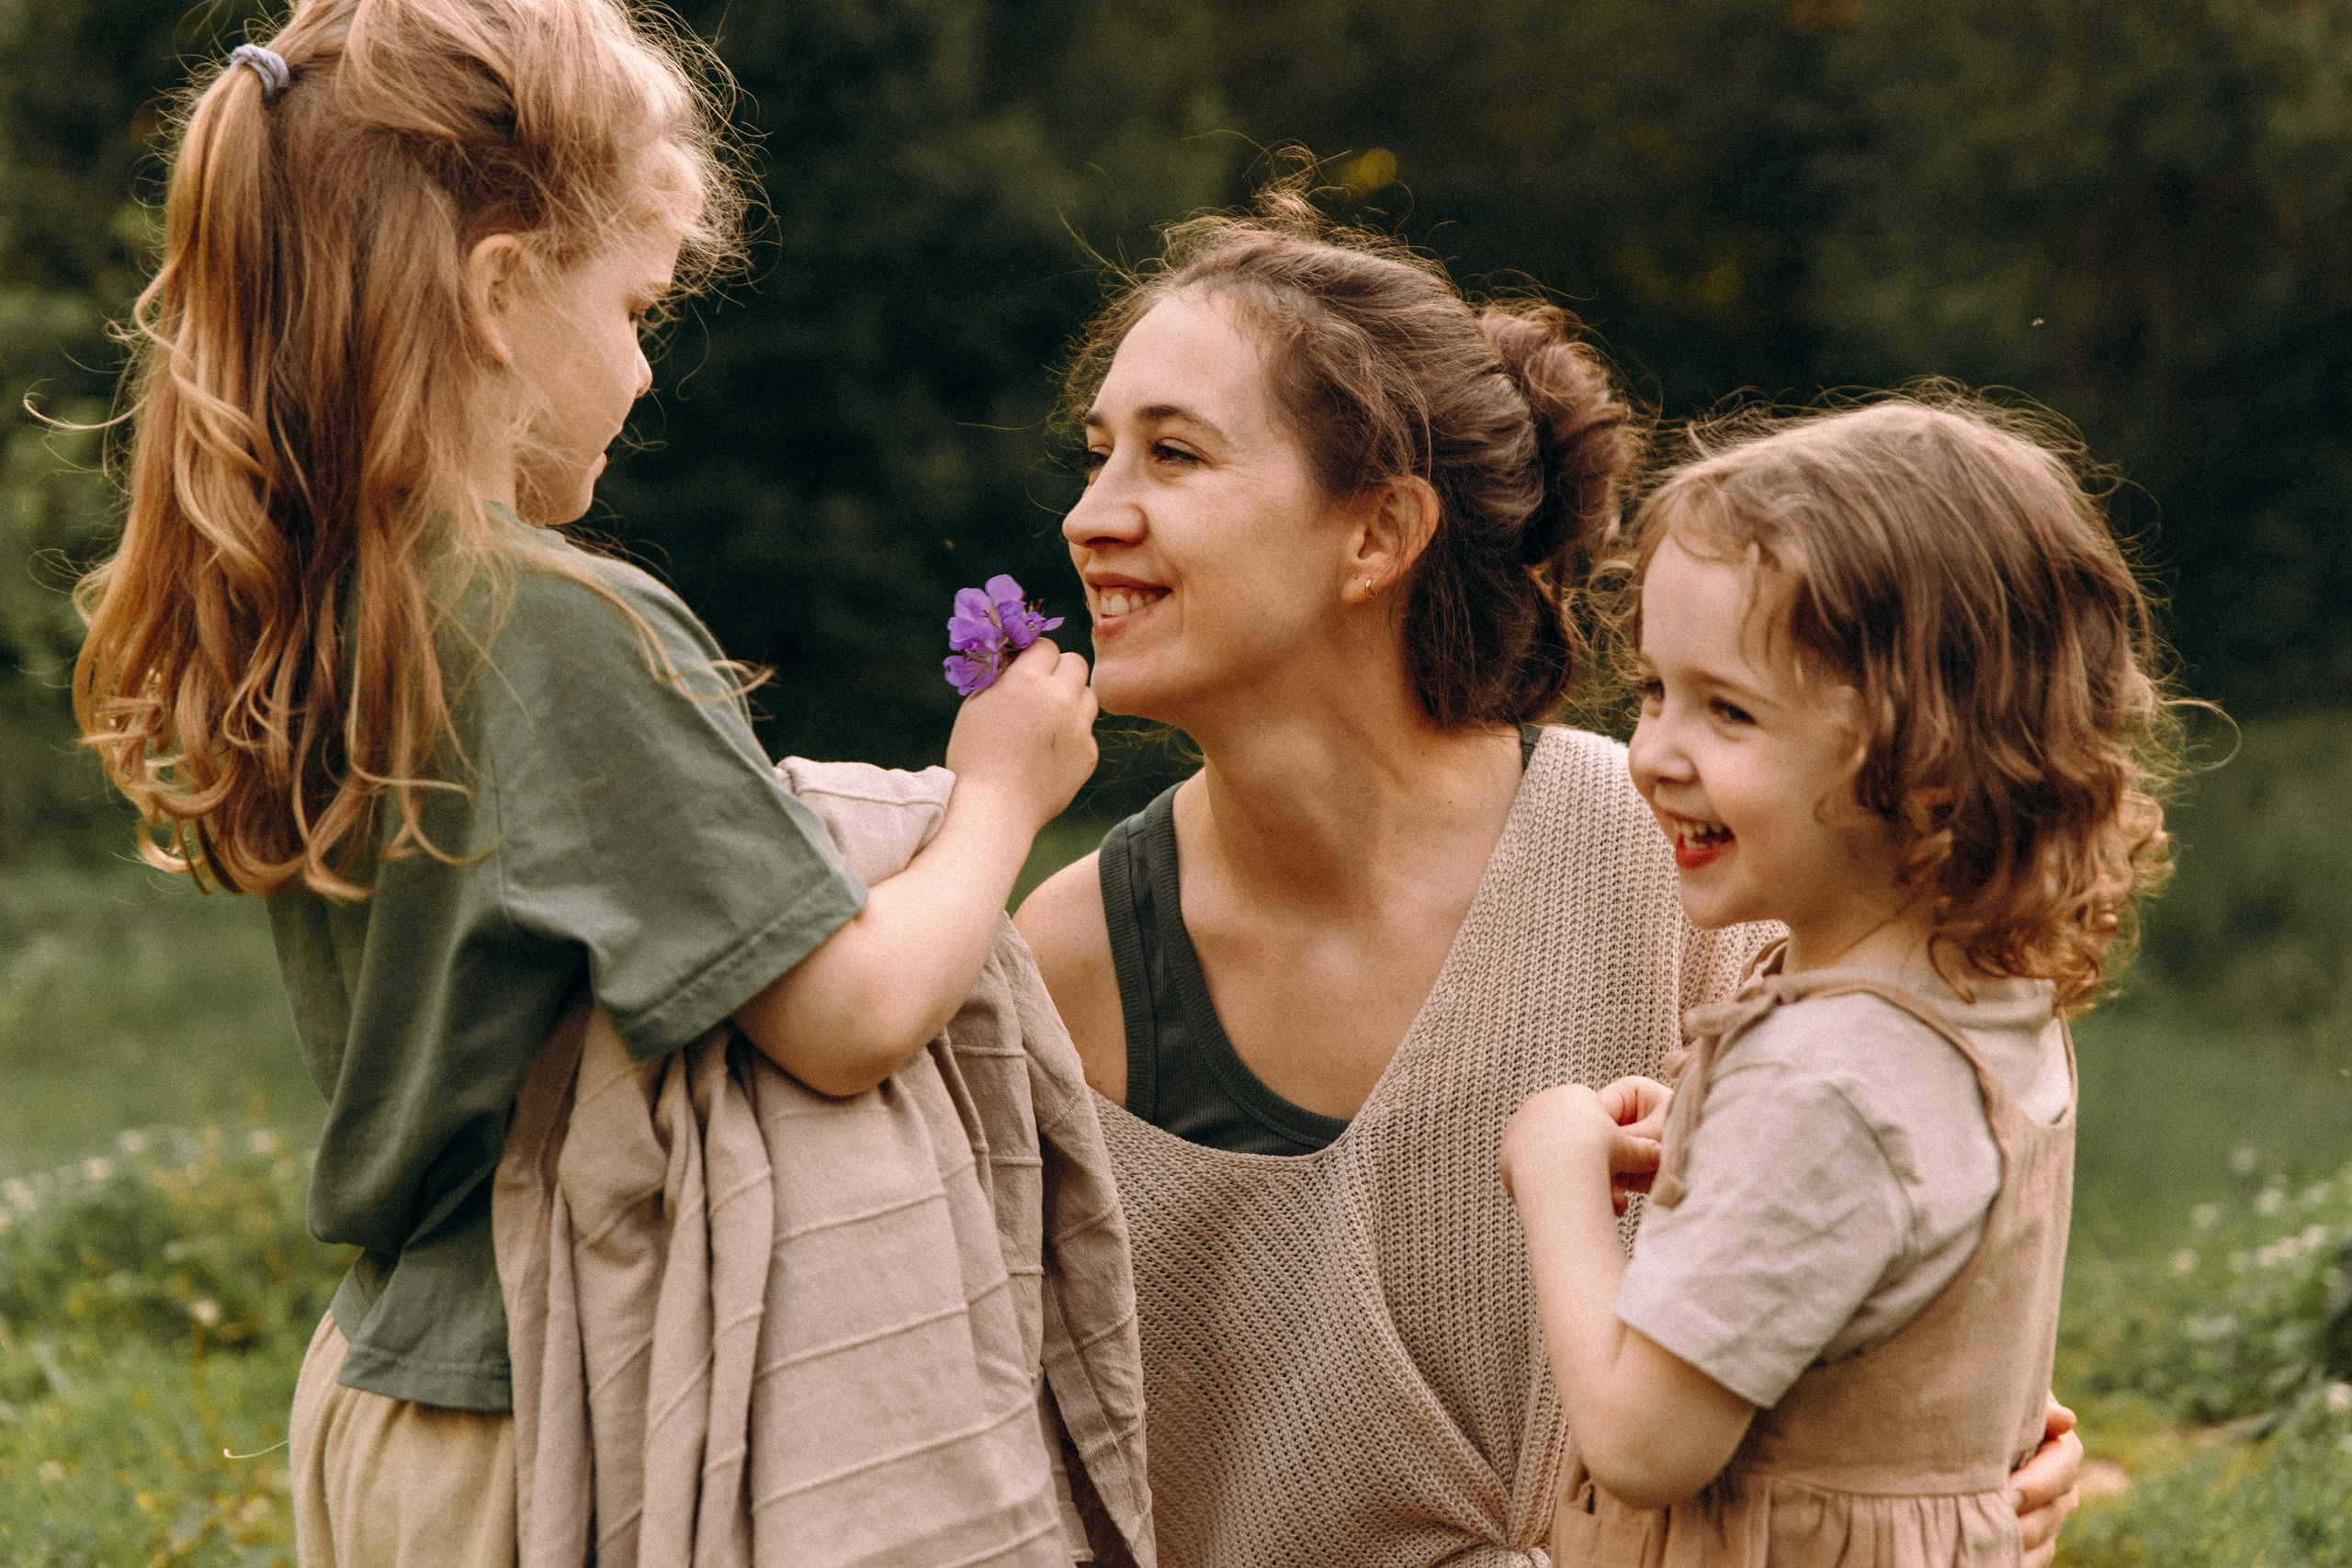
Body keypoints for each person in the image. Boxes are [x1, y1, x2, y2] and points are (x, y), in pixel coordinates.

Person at [69, 4, 1095, 1562]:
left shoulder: (334, 609)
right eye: (636, 309)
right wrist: (1000, 797)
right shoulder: (549, 623)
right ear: (497, 292)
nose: (642, 367)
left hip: (380, 1399)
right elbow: (850, 1016)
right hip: (547, 1410)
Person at [1013, 186, 2085, 1567]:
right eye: (1097, 456)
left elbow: (1890, 1208)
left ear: (1378, 534)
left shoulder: (1684, 864)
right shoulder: (1068, 958)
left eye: (1173, 456)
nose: (1091, 517)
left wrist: (1943, 1443)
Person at [1501, 396, 2174, 1566]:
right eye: (1656, 689)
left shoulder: (1822, 1081)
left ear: (1926, 766)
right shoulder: (1978, 1002)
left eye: (1727, 710)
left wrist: (1553, 1163)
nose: (1653, 751)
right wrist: (1712, 1152)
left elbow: (1642, 1443)